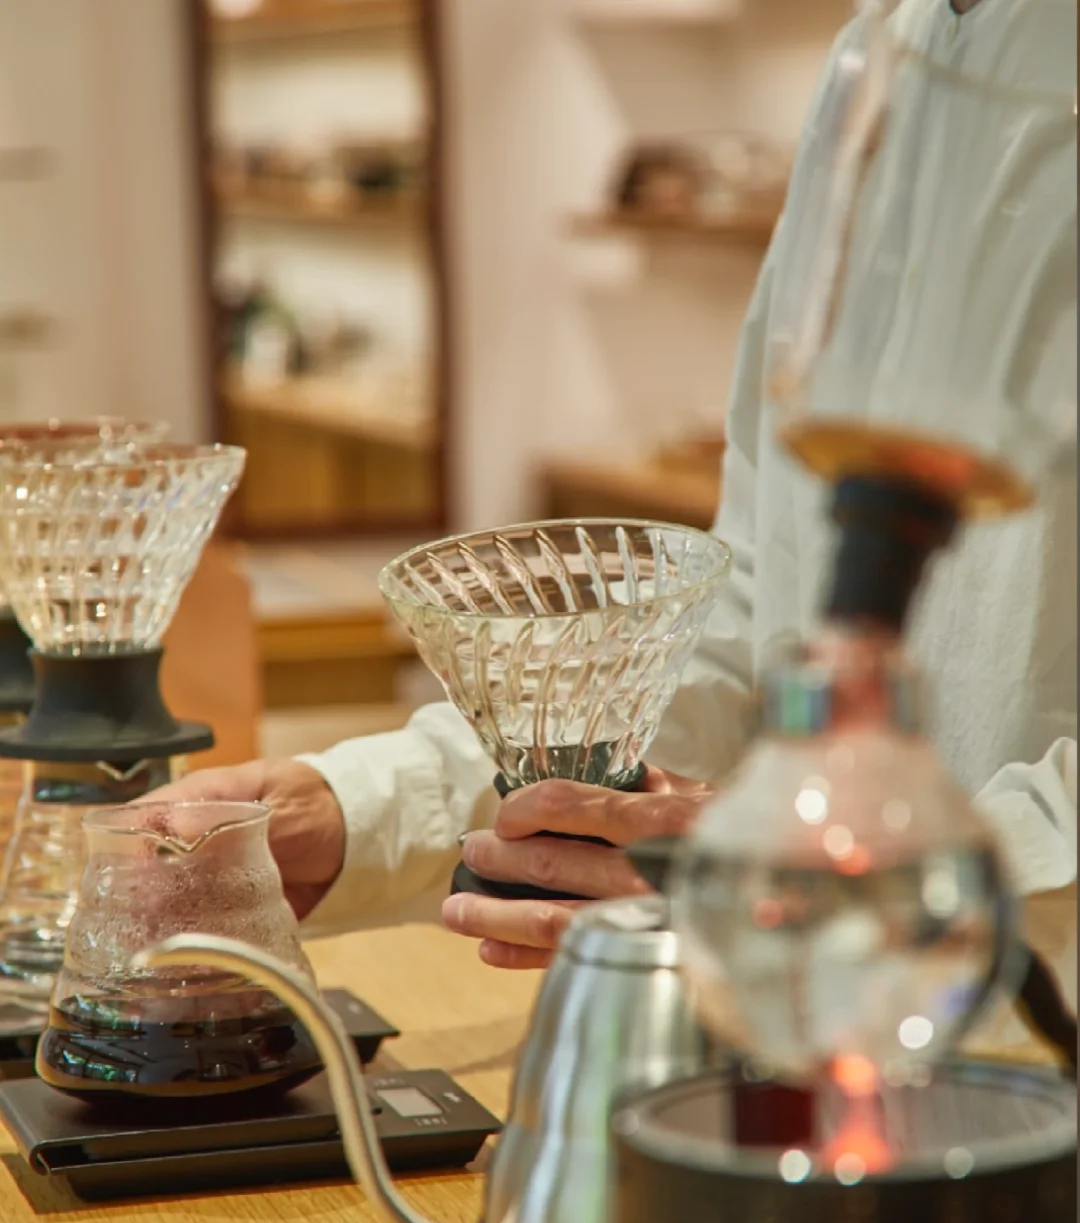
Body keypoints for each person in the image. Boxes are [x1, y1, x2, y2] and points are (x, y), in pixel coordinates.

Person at [158, 0, 1076, 1028]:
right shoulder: (880, 55)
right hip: (833, 1051)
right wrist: (363, 815)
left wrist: (854, 878)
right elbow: (752, 635)